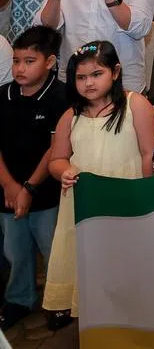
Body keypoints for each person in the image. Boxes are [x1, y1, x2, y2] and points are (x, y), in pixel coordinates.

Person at [43, 41, 154, 327]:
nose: (88, 83)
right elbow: (56, 159)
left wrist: (147, 198)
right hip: (85, 203)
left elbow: (149, 154)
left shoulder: (136, 105)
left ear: (116, 72)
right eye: (81, 78)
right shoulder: (72, 115)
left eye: (97, 74)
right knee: (90, 263)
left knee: (125, 262)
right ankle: (96, 327)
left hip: (126, 198)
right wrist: (65, 171)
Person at [0, 26, 66, 331]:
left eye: (29, 61)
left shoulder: (60, 96)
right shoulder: (4, 95)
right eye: (16, 61)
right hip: (8, 190)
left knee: (53, 248)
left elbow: (56, 148)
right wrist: (10, 185)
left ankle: (59, 302)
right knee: (15, 250)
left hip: (47, 193)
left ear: (50, 62)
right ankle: (19, 299)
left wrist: (28, 187)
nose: (20, 68)